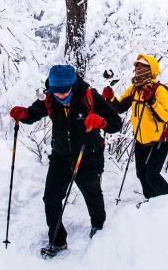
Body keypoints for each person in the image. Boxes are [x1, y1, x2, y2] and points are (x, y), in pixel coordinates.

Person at [9, 64, 121, 258]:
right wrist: (24, 115)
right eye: (56, 91)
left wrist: (100, 121)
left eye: (64, 91)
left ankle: (99, 227)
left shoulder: (89, 96)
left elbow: (116, 123)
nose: (60, 95)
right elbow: (35, 112)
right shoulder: (51, 98)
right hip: (60, 156)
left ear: (73, 85)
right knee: (51, 198)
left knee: (92, 194)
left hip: (88, 155)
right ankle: (57, 240)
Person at [102, 53, 168, 199]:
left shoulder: (159, 90)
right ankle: (152, 203)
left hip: (159, 141)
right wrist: (110, 98)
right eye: (136, 66)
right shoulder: (134, 89)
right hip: (140, 141)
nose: (137, 68)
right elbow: (119, 107)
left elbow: (165, 116)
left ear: (150, 69)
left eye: (141, 66)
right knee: (141, 174)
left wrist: (152, 100)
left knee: (152, 176)